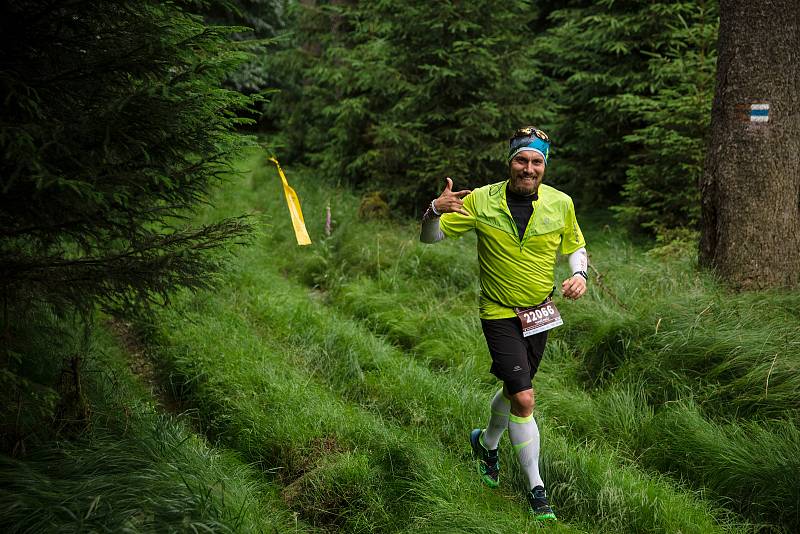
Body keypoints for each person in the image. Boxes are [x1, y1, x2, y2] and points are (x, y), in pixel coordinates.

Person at [419, 126, 588, 521]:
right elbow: (432, 239)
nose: (528, 168)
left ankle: (486, 443)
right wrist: (433, 209)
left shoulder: (561, 203)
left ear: (545, 166)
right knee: (525, 398)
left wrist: (579, 273)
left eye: (536, 161)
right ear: (509, 161)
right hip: (498, 311)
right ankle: (537, 489)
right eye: (521, 159)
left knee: (516, 390)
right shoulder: (481, 200)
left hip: (540, 312)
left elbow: (575, 244)